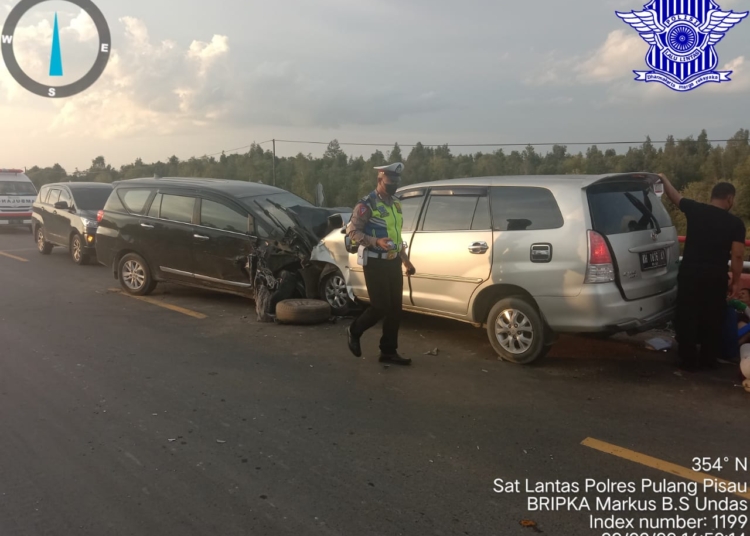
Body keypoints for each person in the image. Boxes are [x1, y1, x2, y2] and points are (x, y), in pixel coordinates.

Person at [659, 174, 746, 371]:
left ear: (712, 196)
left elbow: (675, 196)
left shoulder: (695, 210)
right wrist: (736, 281)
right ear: (729, 198)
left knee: (688, 316)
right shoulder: (735, 224)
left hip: (690, 274)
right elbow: (738, 256)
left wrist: (664, 180)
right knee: (712, 318)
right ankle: (708, 359)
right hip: (715, 277)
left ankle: (687, 359)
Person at [345, 162, 416, 366]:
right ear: (380, 180)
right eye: (390, 181)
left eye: (396, 181)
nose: (393, 184)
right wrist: (375, 242)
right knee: (380, 306)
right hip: (374, 262)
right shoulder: (367, 204)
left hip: (393, 262)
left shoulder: (395, 204)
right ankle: (354, 330)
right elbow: (352, 232)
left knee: (395, 309)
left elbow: (396, 236)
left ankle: (388, 351)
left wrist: (406, 260)